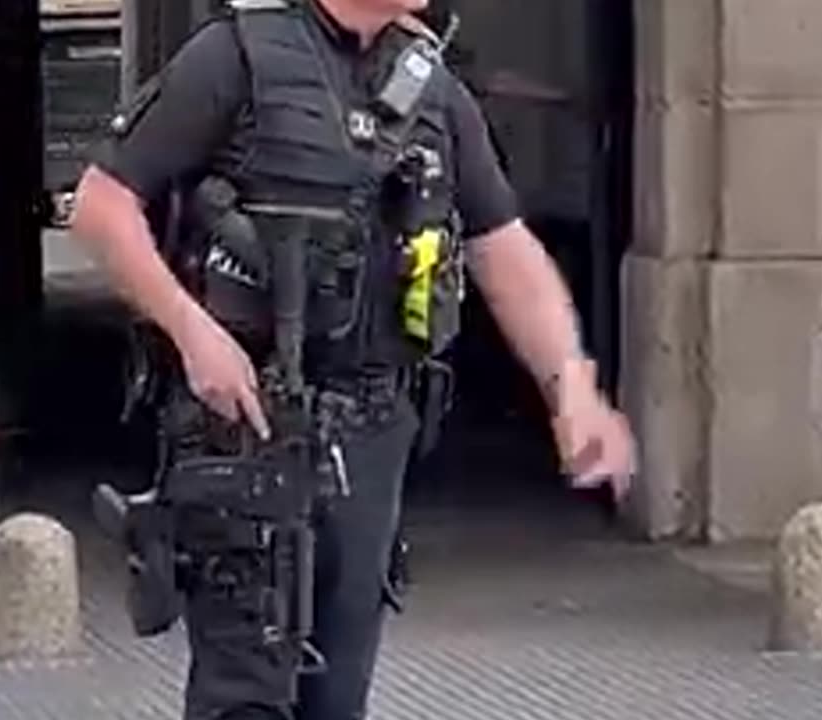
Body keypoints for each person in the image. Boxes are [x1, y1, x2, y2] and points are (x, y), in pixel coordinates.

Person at [71, 0, 637, 718]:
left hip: (372, 434)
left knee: (336, 696)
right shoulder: (235, 55)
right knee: (245, 696)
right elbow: (100, 206)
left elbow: (505, 251)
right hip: (246, 427)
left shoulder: (432, 87)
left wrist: (573, 388)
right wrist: (191, 331)